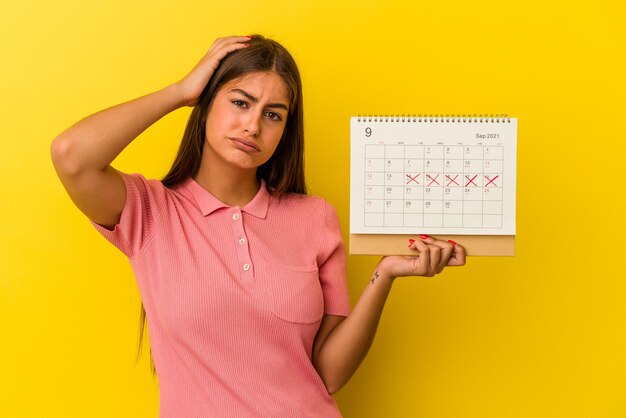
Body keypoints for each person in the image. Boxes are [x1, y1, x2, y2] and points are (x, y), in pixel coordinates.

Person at [51, 35, 466, 417]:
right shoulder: (151, 212)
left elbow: (329, 374)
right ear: (207, 102)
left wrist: (385, 273)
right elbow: (71, 155)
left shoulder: (315, 217)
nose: (253, 126)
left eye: (273, 114)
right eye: (240, 103)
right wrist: (180, 92)